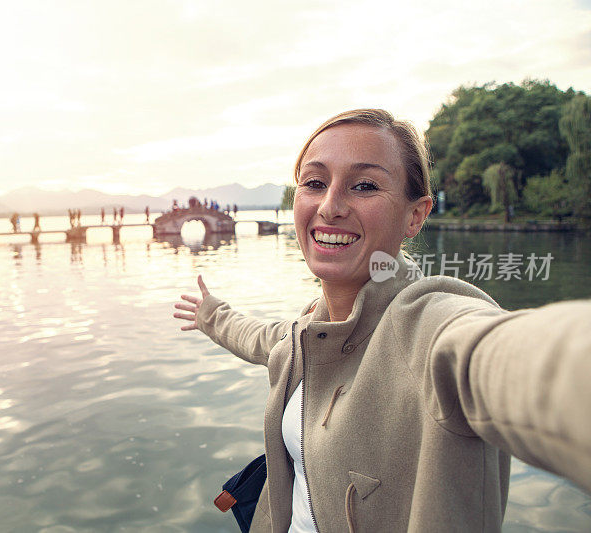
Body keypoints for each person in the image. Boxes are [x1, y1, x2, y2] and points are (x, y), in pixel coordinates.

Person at [173, 109, 591, 532]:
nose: (330, 206)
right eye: (315, 183)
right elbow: (264, 339)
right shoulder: (312, 330)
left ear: (416, 215)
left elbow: (502, 357)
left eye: (365, 186)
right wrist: (213, 315)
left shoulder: (428, 326)